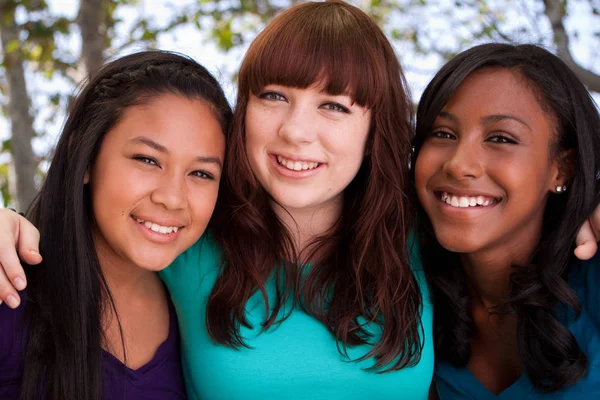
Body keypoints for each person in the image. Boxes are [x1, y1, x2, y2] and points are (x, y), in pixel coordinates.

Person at [1, 3, 600, 400]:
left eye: (335, 107)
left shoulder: (423, 237)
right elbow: (90, 225)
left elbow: (514, 216)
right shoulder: (189, 233)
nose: (295, 132)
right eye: (273, 95)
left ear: (376, 129)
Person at [0, 50, 231, 399]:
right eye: (148, 159)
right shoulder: (10, 295)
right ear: (86, 155)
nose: (173, 198)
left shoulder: (206, 305)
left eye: (201, 173)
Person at [412, 43, 600, 398]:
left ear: (562, 168)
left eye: (500, 138)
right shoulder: (405, 295)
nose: (458, 164)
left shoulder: (593, 277)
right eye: (443, 134)